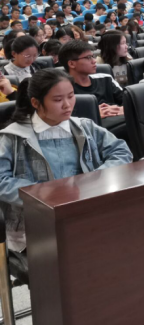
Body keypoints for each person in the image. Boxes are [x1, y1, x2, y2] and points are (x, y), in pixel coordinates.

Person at [0, 70, 132, 252]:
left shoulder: (85, 127)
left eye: (71, 96)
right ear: (36, 103)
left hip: (87, 213)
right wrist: (41, 194)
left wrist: (94, 180)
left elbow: (121, 151)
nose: (67, 105)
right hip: (35, 226)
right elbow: (2, 180)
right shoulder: (13, 137)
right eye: (57, 100)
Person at [58, 40, 127, 139]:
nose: (94, 61)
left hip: (119, 121)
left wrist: (121, 109)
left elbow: (127, 100)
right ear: (72, 64)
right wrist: (94, 114)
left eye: (93, 56)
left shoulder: (105, 78)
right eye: (88, 58)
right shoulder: (63, 89)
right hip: (89, 131)